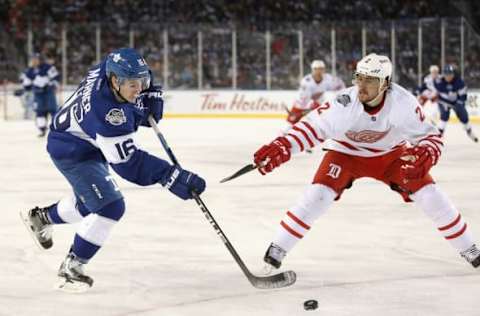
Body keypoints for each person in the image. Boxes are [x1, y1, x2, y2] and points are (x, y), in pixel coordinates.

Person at [252, 53, 480, 272]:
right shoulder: (345, 102)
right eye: (359, 77)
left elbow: (430, 136)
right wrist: (284, 146)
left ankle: (470, 249)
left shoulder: (403, 103)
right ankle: (277, 251)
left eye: (370, 80)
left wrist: (428, 152)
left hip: (392, 156)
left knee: (430, 195)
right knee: (317, 196)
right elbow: (313, 127)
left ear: (385, 83)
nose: (361, 85)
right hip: (346, 154)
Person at [20, 48, 206, 292]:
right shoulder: (108, 114)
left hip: (84, 138)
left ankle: (42, 217)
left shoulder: (110, 66)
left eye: (141, 82)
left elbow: (135, 68)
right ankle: (72, 267)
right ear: (115, 81)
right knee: (110, 205)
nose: (138, 88)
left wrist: (151, 89)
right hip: (73, 150)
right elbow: (128, 164)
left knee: (92, 201)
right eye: (133, 84)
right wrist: (170, 176)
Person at [285, 60, 345, 127]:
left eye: (321, 69)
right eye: (316, 69)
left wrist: (337, 96)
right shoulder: (306, 81)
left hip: (320, 105)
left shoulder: (330, 79)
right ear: (313, 70)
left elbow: (341, 87)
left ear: (324, 70)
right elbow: (303, 99)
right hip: (302, 104)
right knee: (290, 123)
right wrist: (309, 108)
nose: (319, 71)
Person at [433, 64, 478, 142]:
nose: (448, 76)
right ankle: (438, 136)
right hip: (443, 102)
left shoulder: (459, 81)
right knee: (444, 115)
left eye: (450, 74)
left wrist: (460, 102)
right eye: (446, 74)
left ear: (453, 74)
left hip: (456, 102)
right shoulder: (438, 81)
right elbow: (428, 86)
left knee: (464, 116)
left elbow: (463, 94)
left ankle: (469, 131)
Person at [20, 53, 59, 137]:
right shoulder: (29, 71)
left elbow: (56, 77)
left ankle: (57, 129)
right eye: (32, 59)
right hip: (38, 94)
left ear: (40, 60)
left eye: (36, 59)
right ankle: (42, 129)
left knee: (53, 110)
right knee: (39, 111)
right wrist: (26, 84)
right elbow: (26, 85)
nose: (34, 61)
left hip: (48, 92)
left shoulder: (48, 67)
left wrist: (51, 83)